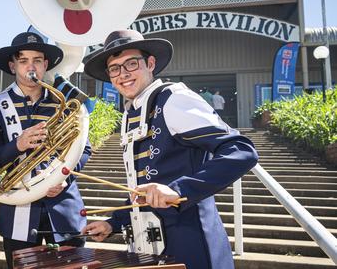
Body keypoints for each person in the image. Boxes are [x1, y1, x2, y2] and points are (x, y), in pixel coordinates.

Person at [81, 30, 258, 269]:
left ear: (150, 63)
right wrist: (114, 222)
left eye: (131, 64)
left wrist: (179, 190)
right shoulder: (130, 111)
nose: (123, 74)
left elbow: (241, 150)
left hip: (190, 242)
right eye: (114, 68)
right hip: (149, 243)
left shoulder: (174, 99)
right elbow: (144, 182)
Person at [0, 32, 92, 268]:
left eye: (37, 61)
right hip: (17, 213)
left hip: (64, 209)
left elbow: (84, 148)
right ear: (13, 66)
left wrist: (65, 176)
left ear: (46, 65)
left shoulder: (64, 102)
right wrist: (17, 145)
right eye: (23, 61)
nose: (31, 67)